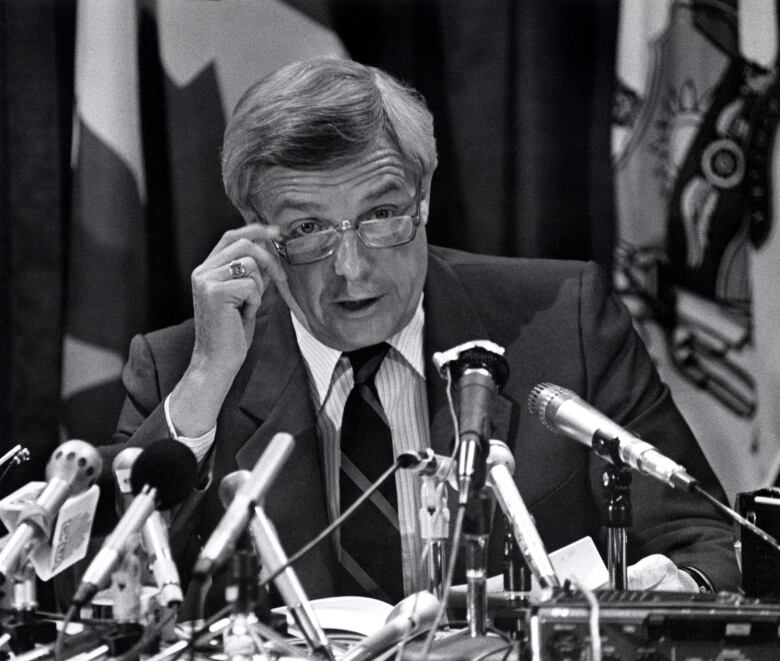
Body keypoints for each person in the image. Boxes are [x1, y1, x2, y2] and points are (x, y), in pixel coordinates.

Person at [105, 58, 740, 612]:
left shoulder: (564, 319)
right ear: (254, 232)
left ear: (424, 197)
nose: (350, 269)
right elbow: (103, 593)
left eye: (381, 215)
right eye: (307, 230)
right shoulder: (180, 368)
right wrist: (204, 386)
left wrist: (644, 603)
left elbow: (708, 543)